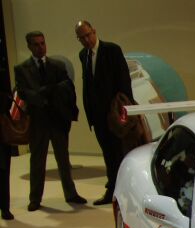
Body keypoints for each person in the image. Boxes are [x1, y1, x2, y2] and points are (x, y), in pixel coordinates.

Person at [14, 31, 85, 211]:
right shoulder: (22, 69)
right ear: (29, 47)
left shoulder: (57, 65)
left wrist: (49, 91)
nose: (41, 47)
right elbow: (23, 92)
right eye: (36, 44)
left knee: (63, 158)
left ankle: (71, 193)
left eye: (42, 43)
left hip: (57, 119)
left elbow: (67, 85)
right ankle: (35, 198)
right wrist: (42, 96)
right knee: (38, 160)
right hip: (38, 122)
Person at [74, 20, 133, 205]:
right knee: (108, 154)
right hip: (97, 116)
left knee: (119, 152)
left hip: (114, 115)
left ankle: (123, 191)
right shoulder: (83, 55)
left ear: (94, 31)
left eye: (88, 34)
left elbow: (124, 81)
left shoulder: (112, 50)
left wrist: (125, 111)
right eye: (82, 37)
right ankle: (112, 190)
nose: (86, 39)